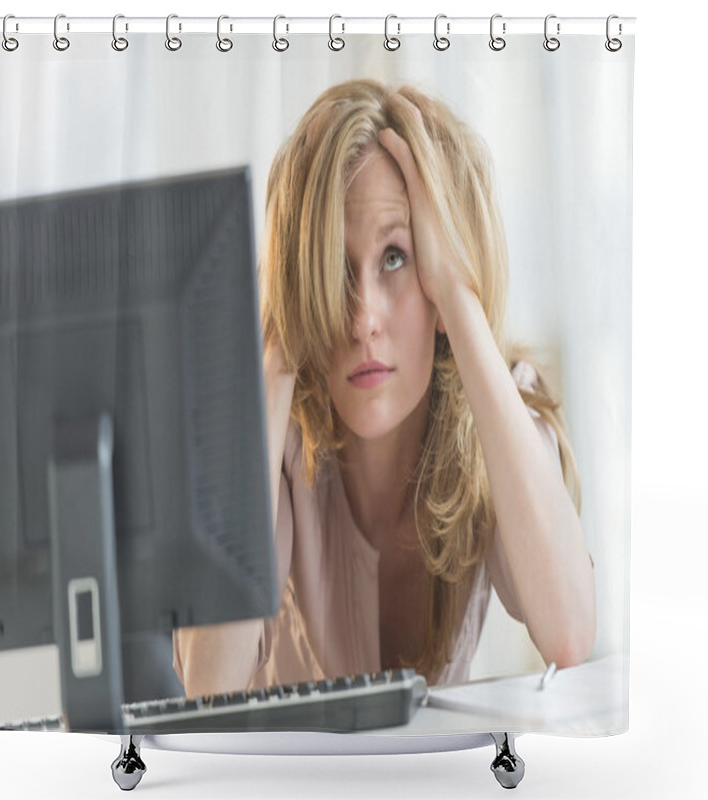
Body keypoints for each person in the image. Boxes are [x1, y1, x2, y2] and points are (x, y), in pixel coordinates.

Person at [173, 79, 595, 697]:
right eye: (333, 268)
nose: (360, 316)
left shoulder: (496, 423)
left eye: (395, 257)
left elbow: (568, 636)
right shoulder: (271, 433)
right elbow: (206, 686)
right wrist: (281, 336)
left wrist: (458, 295)